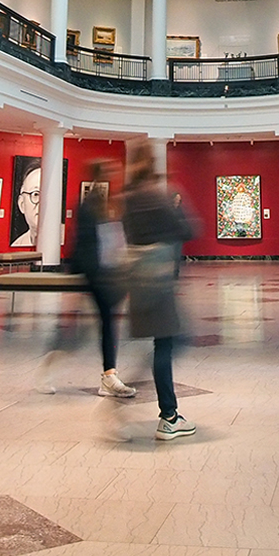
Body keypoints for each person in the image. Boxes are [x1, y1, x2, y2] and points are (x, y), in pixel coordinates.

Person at [121, 140, 196, 440]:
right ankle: (168, 416)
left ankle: (165, 411)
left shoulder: (127, 199)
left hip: (137, 282)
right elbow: (188, 231)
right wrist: (178, 208)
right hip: (158, 282)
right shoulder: (158, 196)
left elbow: (128, 236)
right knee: (170, 343)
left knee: (162, 344)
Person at [66, 159, 135, 397]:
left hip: (104, 273)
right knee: (106, 322)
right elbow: (89, 242)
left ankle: (108, 373)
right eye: (109, 171)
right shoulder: (91, 204)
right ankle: (108, 375)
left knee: (102, 324)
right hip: (97, 274)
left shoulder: (102, 202)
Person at [10, 160, 42, 247]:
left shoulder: (69, 239)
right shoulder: (18, 243)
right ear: (22, 204)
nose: (43, 203)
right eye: (36, 194)